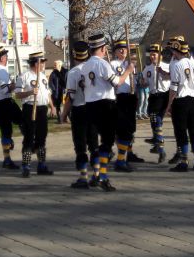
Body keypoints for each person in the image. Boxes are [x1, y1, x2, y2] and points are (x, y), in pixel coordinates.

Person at [82, 33, 134, 191]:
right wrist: (128, 71)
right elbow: (117, 82)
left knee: (97, 143)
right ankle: (103, 176)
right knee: (108, 141)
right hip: (105, 105)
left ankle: (96, 175)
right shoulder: (103, 64)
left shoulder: (85, 66)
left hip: (89, 105)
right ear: (103, 48)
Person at [61, 41, 100, 189]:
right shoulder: (93, 68)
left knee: (81, 144)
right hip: (93, 107)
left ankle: (83, 176)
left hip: (79, 110)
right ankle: (97, 174)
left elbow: (70, 96)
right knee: (94, 144)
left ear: (74, 54)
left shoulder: (73, 73)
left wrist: (64, 113)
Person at [166, 39, 194, 172]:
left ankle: (184, 162)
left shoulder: (177, 65)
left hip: (181, 101)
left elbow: (173, 88)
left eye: (173, 50)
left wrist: (169, 104)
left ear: (176, 51)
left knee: (181, 131)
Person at [15, 51, 56, 178]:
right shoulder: (24, 76)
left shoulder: (43, 77)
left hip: (42, 109)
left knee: (41, 137)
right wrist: (29, 92)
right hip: (30, 109)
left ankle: (41, 165)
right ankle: (26, 166)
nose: (44, 64)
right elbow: (17, 94)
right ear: (36, 63)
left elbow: (47, 94)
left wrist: (52, 106)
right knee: (29, 137)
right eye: (42, 62)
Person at [0, 46, 23, 169]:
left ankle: (7, 158)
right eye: (6, 56)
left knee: (5, 130)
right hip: (3, 102)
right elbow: (5, 90)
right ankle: (29, 143)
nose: (7, 58)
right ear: (2, 58)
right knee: (22, 120)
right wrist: (16, 83)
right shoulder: (1, 71)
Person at [110, 40, 144, 172]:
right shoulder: (113, 64)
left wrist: (140, 81)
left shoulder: (131, 63)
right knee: (123, 129)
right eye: (120, 49)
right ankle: (120, 159)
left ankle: (128, 154)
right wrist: (128, 70)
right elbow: (116, 83)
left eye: (125, 49)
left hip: (131, 98)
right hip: (121, 98)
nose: (123, 51)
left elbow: (136, 82)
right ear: (115, 52)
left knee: (130, 128)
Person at [142, 43, 170, 163]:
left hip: (163, 95)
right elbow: (145, 83)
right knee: (155, 121)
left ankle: (157, 139)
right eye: (151, 55)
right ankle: (160, 148)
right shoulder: (147, 68)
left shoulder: (167, 66)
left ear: (160, 55)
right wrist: (142, 82)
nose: (152, 57)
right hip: (153, 95)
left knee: (156, 117)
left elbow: (171, 78)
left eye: (154, 54)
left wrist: (162, 72)